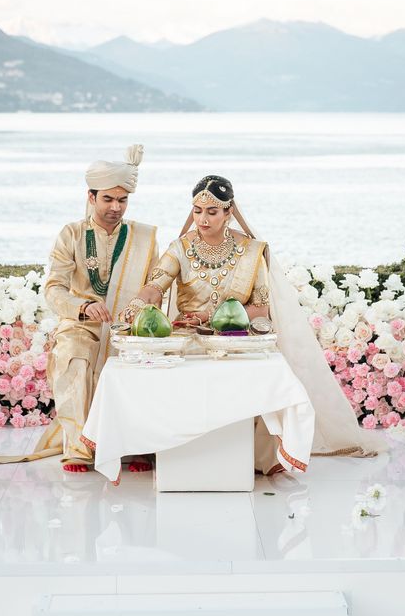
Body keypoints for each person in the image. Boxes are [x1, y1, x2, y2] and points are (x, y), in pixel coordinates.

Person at [132, 173, 383, 470]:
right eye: (197, 211)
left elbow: (260, 311)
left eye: (212, 212)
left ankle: (258, 456)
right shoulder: (180, 248)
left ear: (229, 212)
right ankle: (172, 450)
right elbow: (156, 284)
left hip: (236, 340)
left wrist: (211, 317)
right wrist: (141, 300)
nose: (203, 220)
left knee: (267, 371)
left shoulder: (251, 251)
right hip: (189, 339)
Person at [43, 145, 159, 473]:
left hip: (128, 325)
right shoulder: (72, 234)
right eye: (108, 199)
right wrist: (82, 307)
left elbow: (155, 288)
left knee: (139, 363)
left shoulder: (143, 237)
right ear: (91, 197)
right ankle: (81, 447)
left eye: (122, 200)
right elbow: (53, 289)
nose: (115, 207)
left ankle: (135, 446)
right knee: (74, 354)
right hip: (81, 323)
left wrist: (139, 313)